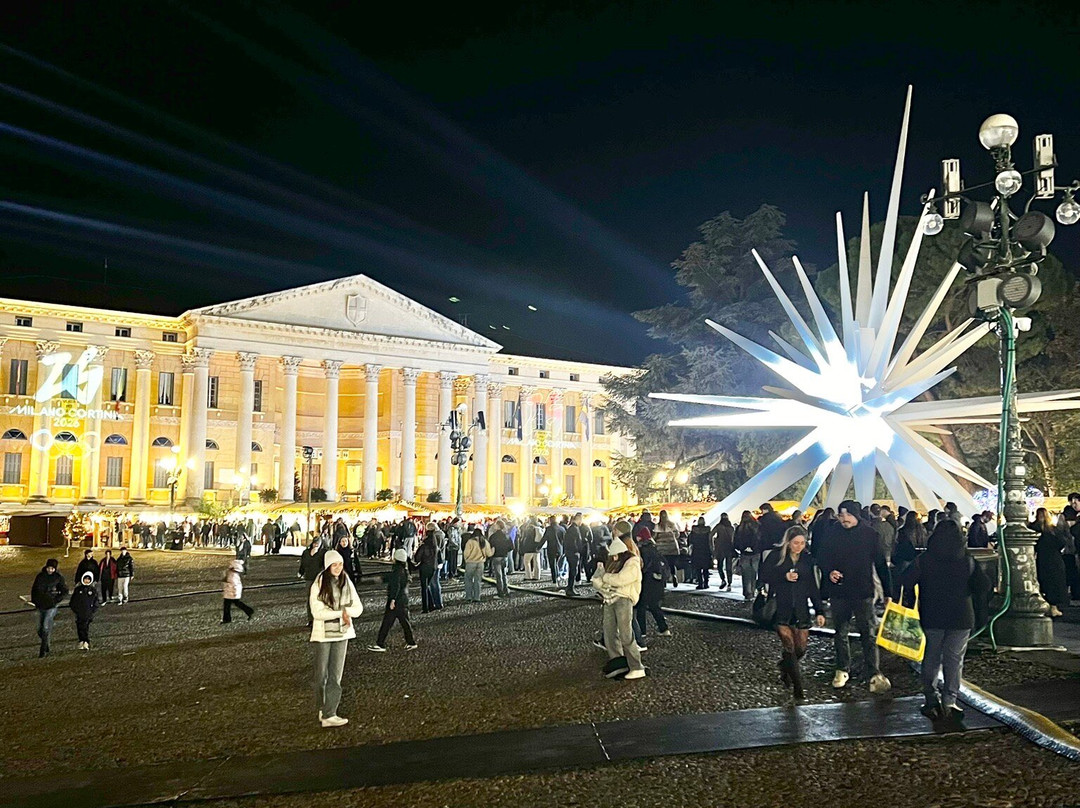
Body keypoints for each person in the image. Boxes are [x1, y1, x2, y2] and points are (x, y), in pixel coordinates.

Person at [902, 519, 990, 721]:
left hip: (932, 615)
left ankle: (931, 699)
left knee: (931, 658)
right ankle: (950, 700)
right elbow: (983, 586)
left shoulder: (923, 560)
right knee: (954, 660)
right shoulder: (967, 560)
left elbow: (906, 580)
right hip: (961, 616)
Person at [817, 500, 892, 693]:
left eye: (847, 515)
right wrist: (829, 571)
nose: (844, 519)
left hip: (862, 591)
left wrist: (888, 592)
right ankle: (842, 668)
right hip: (839, 591)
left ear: (856, 515)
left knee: (868, 632)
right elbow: (822, 557)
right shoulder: (833, 534)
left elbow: (881, 565)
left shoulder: (870, 535)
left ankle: (873, 672)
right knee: (840, 632)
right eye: (841, 515)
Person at [759, 527, 825, 700]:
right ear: (788, 542)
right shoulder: (776, 556)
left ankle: (785, 666)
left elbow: (812, 586)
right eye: (796, 543)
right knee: (789, 646)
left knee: (801, 649)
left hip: (802, 609)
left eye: (802, 543)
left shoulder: (807, 559)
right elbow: (764, 576)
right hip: (782, 607)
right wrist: (783, 576)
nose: (799, 547)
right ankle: (798, 687)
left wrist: (819, 610)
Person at [309, 549, 363, 727]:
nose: (338, 568)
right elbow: (317, 612)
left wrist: (345, 613)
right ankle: (322, 708)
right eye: (334, 565)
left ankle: (330, 713)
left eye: (340, 564)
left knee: (335, 676)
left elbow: (358, 608)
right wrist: (342, 613)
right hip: (323, 634)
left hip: (343, 633)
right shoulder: (318, 584)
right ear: (327, 566)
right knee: (320, 675)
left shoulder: (346, 581)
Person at [591, 535, 645, 680]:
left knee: (626, 634)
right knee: (609, 632)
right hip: (610, 599)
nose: (613, 556)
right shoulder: (617, 562)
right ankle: (618, 662)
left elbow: (622, 579)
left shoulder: (632, 562)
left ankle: (636, 666)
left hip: (624, 598)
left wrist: (605, 579)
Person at [369, 548, 418, 651]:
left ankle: (380, 643)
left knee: (387, 623)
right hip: (403, 600)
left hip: (397, 601)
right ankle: (410, 642)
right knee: (404, 623)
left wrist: (392, 599)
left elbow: (395, 586)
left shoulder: (396, 571)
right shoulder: (404, 570)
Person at [635, 525, 671, 641]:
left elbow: (642, 567)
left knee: (641, 606)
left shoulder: (643, 550)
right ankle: (664, 628)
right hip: (656, 582)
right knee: (654, 606)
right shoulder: (654, 548)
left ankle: (642, 632)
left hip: (647, 581)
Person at [1031, 508, 1068, 617]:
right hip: (1054, 558)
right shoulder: (1053, 529)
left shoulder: (1033, 528)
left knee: (1043, 581)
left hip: (1041, 558)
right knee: (1055, 582)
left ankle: (1044, 604)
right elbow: (1062, 542)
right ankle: (1053, 607)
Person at [31, 558, 68, 658]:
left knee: (45, 626)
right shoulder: (40, 577)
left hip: (51, 606)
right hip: (40, 605)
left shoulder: (58, 578)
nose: (50, 570)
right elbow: (34, 589)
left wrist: (56, 600)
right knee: (39, 628)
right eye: (49, 568)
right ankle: (46, 642)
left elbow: (65, 591)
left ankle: (42, 650)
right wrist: (34, 600)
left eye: (52, 568)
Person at [69, 570, 100, 651]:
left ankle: (85, 641)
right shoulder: (78, 589)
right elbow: (73, 601)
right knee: (79, 627)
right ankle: (81, 640)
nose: (87, 581)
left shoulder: (92, 590)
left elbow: (96, 601)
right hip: (79, 612)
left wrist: (93, 610)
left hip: (88, 613)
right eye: (85, 579)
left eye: (88, 579)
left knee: (85, 627)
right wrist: (75, 609)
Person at [298, 539, 326, 627]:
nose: (316, 545)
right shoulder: (306, 552)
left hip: (320, 578)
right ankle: (310, 619)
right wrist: (301, 572)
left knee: (321, 598)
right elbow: (303, 564)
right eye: (315, 543)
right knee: (310, 599)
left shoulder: (323, 553)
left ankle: (320, 618)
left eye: (318, 544)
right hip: (309, 578)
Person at [415, 528, 443, 613]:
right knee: (428, 586)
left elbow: (417, 558)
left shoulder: (424, 546)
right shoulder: (436, 547)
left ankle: (426, 607)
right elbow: (439, 558)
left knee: (424, 587)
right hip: (433, 568)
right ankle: (431, 605)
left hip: (424, 567)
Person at [463, 528, 494, 602]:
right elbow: (489, 554)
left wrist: (466, 560)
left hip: (471, 562)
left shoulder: (470, 542)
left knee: (468, 580)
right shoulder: (484, 541)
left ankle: (469, 597)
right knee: (477, 580)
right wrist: (493, 549)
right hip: (480, 563)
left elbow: (466, 553)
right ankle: (477, 597)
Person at [735, 510, 760, 599]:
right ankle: (752, 590)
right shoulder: (757, 526)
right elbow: (759, 539)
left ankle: (747, 591)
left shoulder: (739, 528)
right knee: (753, 573)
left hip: (744, 553)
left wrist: (742, 548)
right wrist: (754, 547)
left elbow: (736, 541)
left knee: (745, 574)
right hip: (755, 552)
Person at [653, 510, 682, 588]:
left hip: (661, 549)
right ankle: (674, 576)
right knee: (671, 564)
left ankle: (664, 580)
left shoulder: (658, 525)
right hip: (672, 548)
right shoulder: (672, 524)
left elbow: (655, 536)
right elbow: (677, 534)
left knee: (663, 565)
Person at [221, 559, 255, 623]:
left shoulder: (233, 575)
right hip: (230, 592)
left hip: (231, 592)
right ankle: (249, 611)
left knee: (228, 606)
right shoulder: (232, 573)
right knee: (235, 604)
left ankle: (227, 619)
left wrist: (235, 593)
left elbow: (235, 584)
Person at [563, 513, 589, 596]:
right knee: (573, 571)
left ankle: (570, 587)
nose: (581, 522)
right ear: (577, 520)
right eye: (580, 520)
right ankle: (570, 588)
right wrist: (578, 550)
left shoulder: (571, 528)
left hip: (571, 552)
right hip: (573, 553)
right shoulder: (574, 529)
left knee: (573, 570)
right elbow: (574, 542)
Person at [711, 513, 735, 590]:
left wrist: (713, 545)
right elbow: (733, 539)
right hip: (729, 548)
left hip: (720, 548)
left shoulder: (719, 526)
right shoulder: (731, 527)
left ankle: (723, 580)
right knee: (729, 567)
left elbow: (711, 535)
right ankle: (729, 583)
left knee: (720, 566)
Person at [689, 517, 713, 589]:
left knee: (698, 568)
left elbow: (690, 540)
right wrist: (712, 550)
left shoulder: (694, 530)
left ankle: (700, 583)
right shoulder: (708, 530)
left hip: (697, 551)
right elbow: (710, 541)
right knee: (706, 569)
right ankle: (706, 583)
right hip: (706, 550)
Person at [541, 516, 564, 585]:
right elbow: (565, 539)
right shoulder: (561, 528)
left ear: (550, 521)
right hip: (560, 549)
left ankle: (554, 579)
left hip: (551, 548)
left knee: (552, 564)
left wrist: (538, 547)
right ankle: (558, 576)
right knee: (556, 563)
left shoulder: (549, 529)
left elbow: (544, 539)